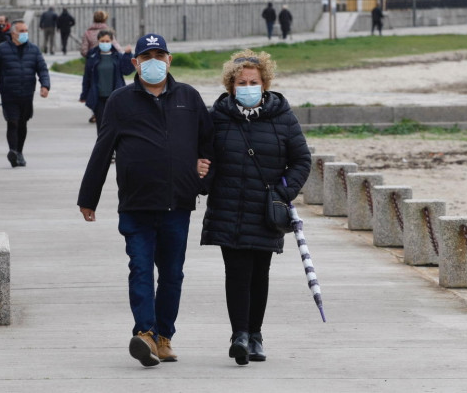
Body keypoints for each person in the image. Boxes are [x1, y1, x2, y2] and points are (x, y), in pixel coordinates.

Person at [77, 33, 213, 368]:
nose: (153, 61)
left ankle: (163, 337)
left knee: (172, 274)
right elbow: (103, 149)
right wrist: (88, 197)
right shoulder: (121, 101)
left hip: (177, 203)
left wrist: (203, 180)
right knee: (140, 268)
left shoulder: (189, 98)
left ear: (169, 60)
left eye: (159, 55)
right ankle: (145, 332)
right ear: (135, 63)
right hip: (136, 204)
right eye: (146, 56)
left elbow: (209, 147)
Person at [198, 49, 311, 366]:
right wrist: (201, 176)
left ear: (265, 83)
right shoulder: (217, 117)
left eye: (253, 81)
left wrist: (283, 192)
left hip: (266, 211)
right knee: (236, 273)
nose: (247, 86)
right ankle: (239, 336)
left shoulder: (283, 116)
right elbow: (206, 159)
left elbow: (301, 160)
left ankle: (256, 334)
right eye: (241, 82)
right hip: (228, 208)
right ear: (231, 86)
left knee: (259, 274)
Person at [0, 20, 50, 168]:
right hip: (9, 93)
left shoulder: (33, 50)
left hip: (27, 94)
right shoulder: (0, 50)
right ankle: (13, 152)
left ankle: (19, 152)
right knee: (12, 122)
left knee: (22, 123)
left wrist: (45, 85)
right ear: (13, 33)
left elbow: (42, 69)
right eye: (21, 31)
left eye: (26, 30)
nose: (24, 33)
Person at [80, 29, 134, 134]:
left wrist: (128, 55)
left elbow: (127, 71)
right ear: (98, 41)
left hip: (115, 97)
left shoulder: (117, 56)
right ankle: (102, 149)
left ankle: (114, 148)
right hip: (98, 97)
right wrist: (84, 94)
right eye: (102, 41)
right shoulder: (92, 56)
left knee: (115, 125)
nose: (105, 43)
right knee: (101, 127)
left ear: (112, 41)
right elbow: (87, 76)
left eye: (107, 41)